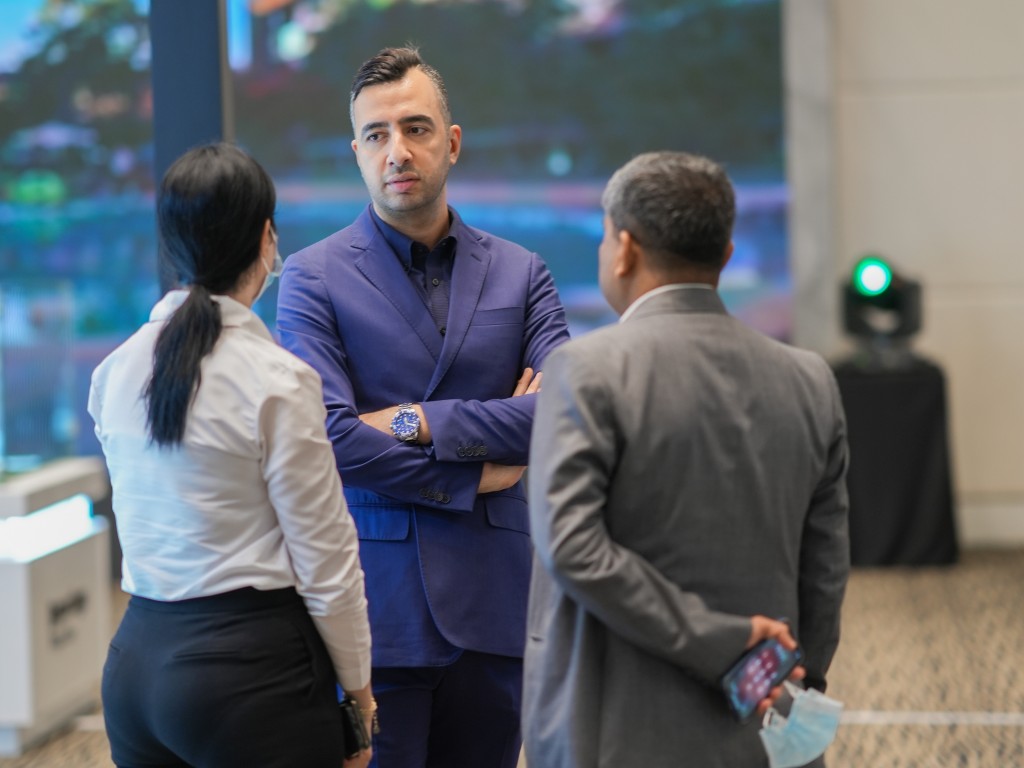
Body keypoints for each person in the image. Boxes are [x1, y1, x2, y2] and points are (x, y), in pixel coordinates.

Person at [276, 46, 570, 767]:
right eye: (376, 135)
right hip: (378, 606)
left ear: (453, 141)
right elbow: (331, 439)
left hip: (497, 598)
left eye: (415, 128)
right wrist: (475, 473)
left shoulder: (522, 272)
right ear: (356, 153)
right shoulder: (311, 278)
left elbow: (562, 411)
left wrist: (419, 420)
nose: (397, 152)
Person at [523, 151, 850, 767]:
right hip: (759, 725)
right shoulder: (810, 379)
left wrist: (723, 644)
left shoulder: (586, 370)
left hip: (615, 732)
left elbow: (572, 547)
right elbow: (824, 573)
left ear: (624, 249)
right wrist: (784, 682)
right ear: (725, 254)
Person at [88, 142, 375, 768]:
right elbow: (326, 560)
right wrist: (358, 692)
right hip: (249, 675)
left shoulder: (113, 371)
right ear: (266, 239)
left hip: (135, 668)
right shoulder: (278, 380)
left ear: (172, 245)